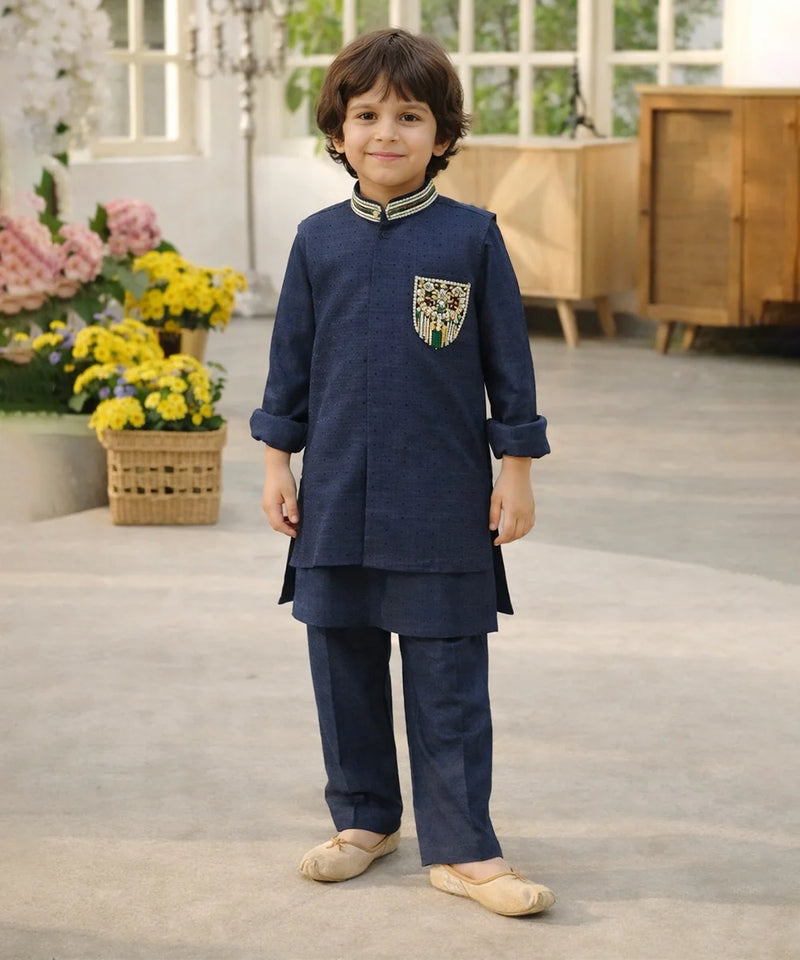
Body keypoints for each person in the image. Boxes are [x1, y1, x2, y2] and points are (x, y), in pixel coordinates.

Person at [250, 28, 554, 918]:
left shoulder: (472, 239)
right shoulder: (316, 242)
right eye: (367, 114)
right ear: (338, 132)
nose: (388, 131)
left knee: (449, 674)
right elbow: (288, 367)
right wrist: (278, 463)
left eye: (411, 115)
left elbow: (510, 367)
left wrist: (518, 472)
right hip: (336, 497)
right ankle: (364, 821)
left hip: (442, 499)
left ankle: (464, 849)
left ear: (443, 134)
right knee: (340, 664)